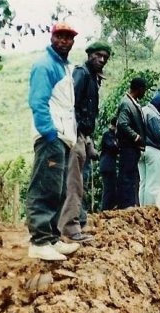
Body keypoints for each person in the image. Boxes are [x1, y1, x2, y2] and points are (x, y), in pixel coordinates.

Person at [26, 23, 81, 260]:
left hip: (63, 138)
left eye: (69, 37)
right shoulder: (45, 65)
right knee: (45, 187)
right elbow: (38, 102)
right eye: (60, 36)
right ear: (52, 37)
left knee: (58, 189)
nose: (64, 41)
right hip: (52, 136)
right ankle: (39, 241)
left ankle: (51, 238)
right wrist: (49, 133)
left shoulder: (64, 67)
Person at [58, 40, 110, 242]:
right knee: (73, 182)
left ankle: (78, 220)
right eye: (98, 55)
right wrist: (77, 136)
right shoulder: (82, 74)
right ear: (90, 55)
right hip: (74, 134)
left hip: (82, 136)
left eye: (105, 57)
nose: (102, 59)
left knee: (80, 181)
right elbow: (71, 105)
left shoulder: (93, 78)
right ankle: (70, 228)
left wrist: (89, 141)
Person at [116, 77, 148, 209]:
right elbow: (122, 123)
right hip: (128, 146)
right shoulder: (126, 103)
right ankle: (125, 205)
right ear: (139, 89)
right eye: (144, 89)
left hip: (133, 147)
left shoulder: (133, 103)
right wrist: (136, 137)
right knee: (126, 175)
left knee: (131, 175)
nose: (144, 92)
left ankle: (129, 203)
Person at [139, 89, 160, 208]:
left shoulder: (143, 110)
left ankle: (142, 208)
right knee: (153, 183)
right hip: (153, 150)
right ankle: (149, 209)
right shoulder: (153, 115)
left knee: (144, 183)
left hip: (142, 149)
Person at [99, 117, 119, 211]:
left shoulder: (113, 135)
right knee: (108, 189)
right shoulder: (107, 134)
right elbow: (113, 146)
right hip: (106, 165)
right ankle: (104, 209)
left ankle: (110, 208)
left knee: (112, 188)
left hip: (111, 166)